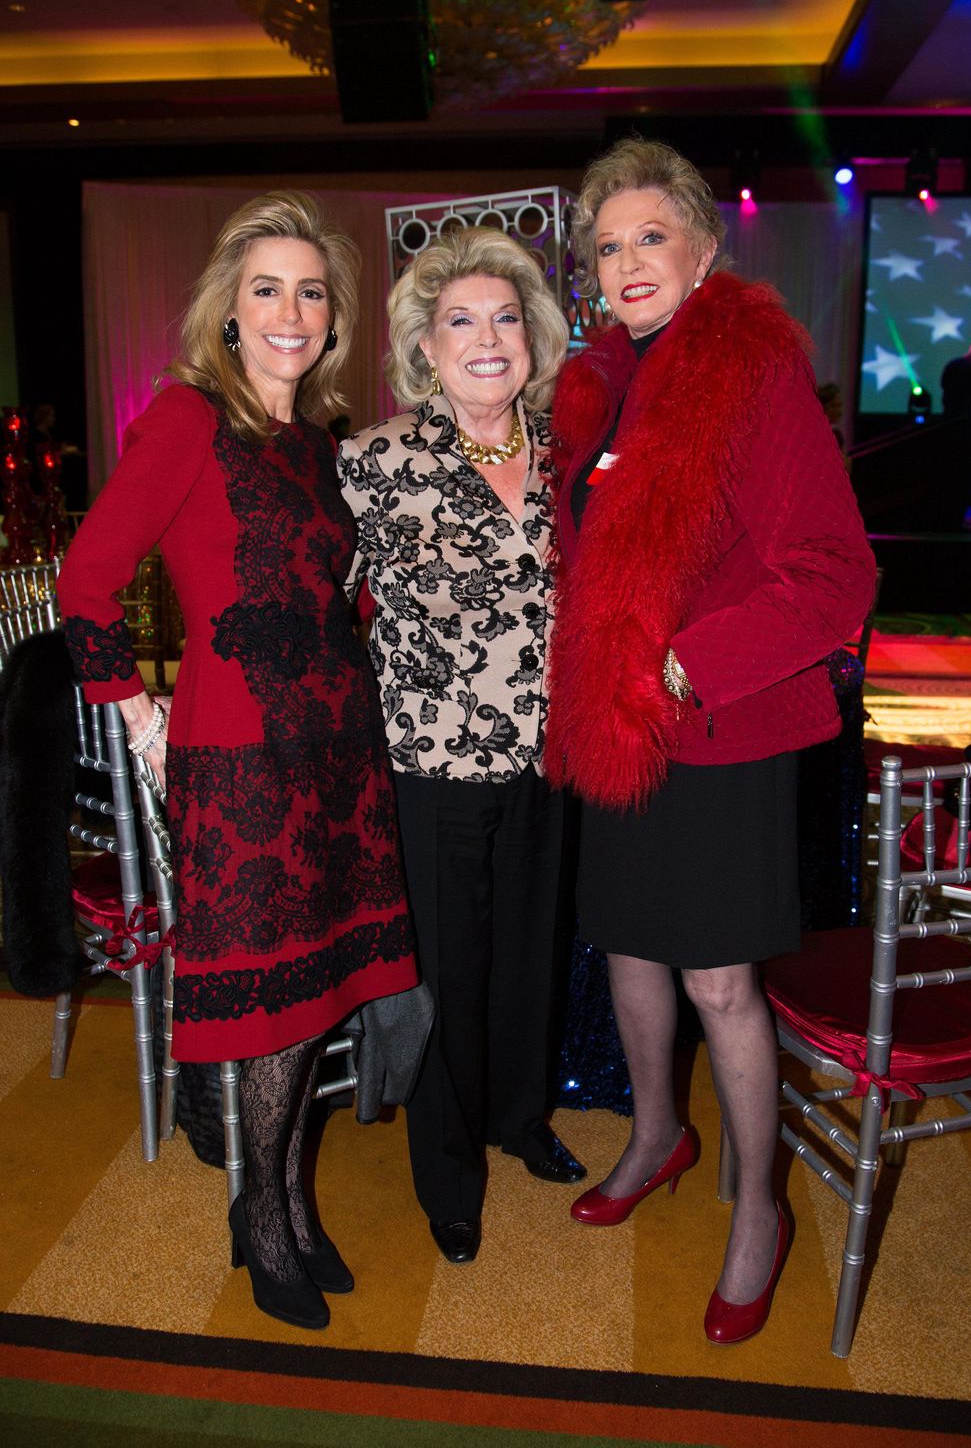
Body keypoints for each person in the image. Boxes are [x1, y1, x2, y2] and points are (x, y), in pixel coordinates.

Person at [56, 191, 418, 1330]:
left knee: (318, 996)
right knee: (272, 1007)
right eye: (266, 288)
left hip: (339, 750)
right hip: (242, 756)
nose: (291, 310)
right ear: (227, 309)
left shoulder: (318, 440)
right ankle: (260, 1211)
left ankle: (290, 1203)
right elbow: (86, 583)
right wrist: (136, 708)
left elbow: (332, 587)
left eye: (310, 291)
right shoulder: (183, 420)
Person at [544, 139, 876, 1344]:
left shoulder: (749, 371)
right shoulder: (601, 380)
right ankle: (652, 1134)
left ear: (702, 246)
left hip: (719, 727)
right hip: (613, 726)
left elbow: (835, 576)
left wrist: (687, 661)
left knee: (719, 979)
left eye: (648, 236)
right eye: (606, 243)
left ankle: (757, 1207)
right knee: (629, 944)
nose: (625, 261)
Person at [337, 227, 582, 1266]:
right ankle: (448, 1173)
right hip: (428, 766)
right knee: (444, 974)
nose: (488, 339)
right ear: (424, 348)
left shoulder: (570, 457)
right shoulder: (375, 463)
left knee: (531, 954)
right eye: (459, 322)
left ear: (532, 337)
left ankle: (518, 1118)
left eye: (504, 318)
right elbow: (297, 589)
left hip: (548, 760)